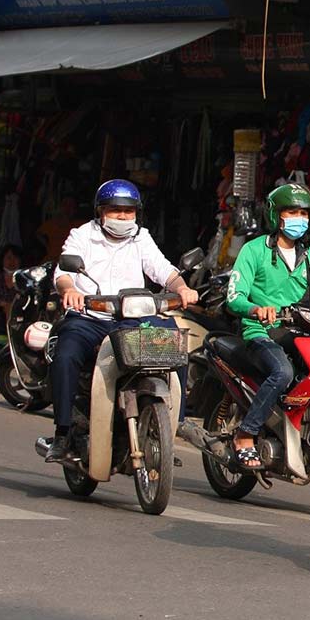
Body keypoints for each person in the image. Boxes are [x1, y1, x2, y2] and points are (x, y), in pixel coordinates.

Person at [45, 179, 199, 462]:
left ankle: (173, 427)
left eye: (128, 212)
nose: (122, 217)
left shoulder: (141, 238)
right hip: (90, 318)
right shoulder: (82, 235)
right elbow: (62, 273)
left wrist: (182, 288)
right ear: (100, 211)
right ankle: (62, 433)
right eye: (115, 210)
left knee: (175, 343)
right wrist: (71, 291)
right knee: (65, 355)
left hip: (133, 321)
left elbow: (163, 269)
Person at [225, 183, 310, 469]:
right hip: (260, 332)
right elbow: (233, 296)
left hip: (301, 334)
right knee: (283, 372)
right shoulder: (254, 250)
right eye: (292, 211)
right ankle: (246, 433)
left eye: (303, 212)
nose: (298, 218)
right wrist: (255, 309)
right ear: (276, 216)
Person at [37, 196, 87, 263]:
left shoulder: (81, 225)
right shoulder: (51, 223)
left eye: (71, 206)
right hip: (51, 262)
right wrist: (47, 246)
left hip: (72, 263)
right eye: (65, 205)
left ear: (75, 209)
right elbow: (38, 234)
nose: (67, 208)